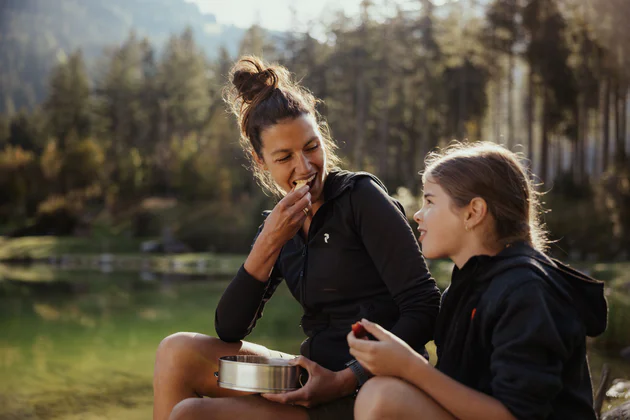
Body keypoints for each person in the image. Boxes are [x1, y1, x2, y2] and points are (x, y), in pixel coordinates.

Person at [152, 56, 441, 420]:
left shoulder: (361, 199)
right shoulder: (281, 225)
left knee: (190, 415)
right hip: (310, 377)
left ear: (322, 136)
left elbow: (426, 306)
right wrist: (268, 242)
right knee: (176, 351)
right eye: (284, 156)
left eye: (311, 147)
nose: (304, 167)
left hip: (370, 386)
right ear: (261, 161)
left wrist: (345, 378)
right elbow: (229, 328)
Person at [347, 142, 608, 420]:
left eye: (430, 201)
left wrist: (410, 366)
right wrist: (392, 361)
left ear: (473, 212)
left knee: (384, 398)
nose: (418, 214)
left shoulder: (527, 292)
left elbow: (519, 415)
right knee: (383, 391)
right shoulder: (465, 288)